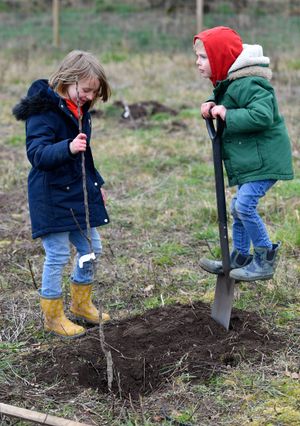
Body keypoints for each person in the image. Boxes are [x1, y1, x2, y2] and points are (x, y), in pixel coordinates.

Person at [13, 50, 112, 338]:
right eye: (85, 89)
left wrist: (98, 185)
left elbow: (85, 157)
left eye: (94, 92)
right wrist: (67, 147)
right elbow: (37, 154)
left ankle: (81, 304)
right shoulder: (44, 110)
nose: (89, 96)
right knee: (56, 255)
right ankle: (53, 315)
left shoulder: (80, 111)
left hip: (77, 192)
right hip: (51, 197)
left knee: (91, 249)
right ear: (67, 80)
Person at [193, 26, 293, 281]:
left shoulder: (251, 82)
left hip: (266, 159)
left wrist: (227, 114)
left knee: (244, 205)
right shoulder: (231, 82)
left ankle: (264, 257)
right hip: (253, 160)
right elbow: (232, 101)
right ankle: (240, 256)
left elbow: (262, 114)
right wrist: (213, 103)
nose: (198, 63)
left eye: (203, 57)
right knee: (238, 207)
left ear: (221, 58)